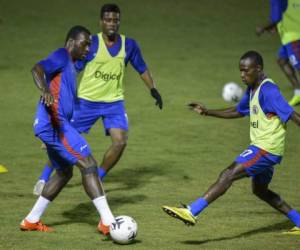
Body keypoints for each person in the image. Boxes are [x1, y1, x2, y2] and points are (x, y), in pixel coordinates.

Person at [162, 51, 300, 235]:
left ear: (258, 69)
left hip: (266, 148)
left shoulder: (268, 90)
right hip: (264, 147)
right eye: (240, 71)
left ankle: (192, 211)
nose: (242, 75)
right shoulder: (253, 88)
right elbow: (238, 111)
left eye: (246, 71)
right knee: (260, 191)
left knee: (228, 174)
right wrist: (207, 112)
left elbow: (291, 114)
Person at [33, 3, 163, 196]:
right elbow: (71, 68)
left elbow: (141, 68)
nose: (112, 24)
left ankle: (97, 176)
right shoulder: (89, 44)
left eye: (116, 20)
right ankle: (43, 179)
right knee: (63, 139)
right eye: (108, 20)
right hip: (86, 102)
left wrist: (153, 89)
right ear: (101, 22)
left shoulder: (129, 45)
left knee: (120, 142)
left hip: (114, 103)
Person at [20, 25, 115, 235]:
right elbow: (37, 68)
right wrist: (44, 90)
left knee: (64, 172)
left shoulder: (72, 64)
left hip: (53, 125)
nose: (88, 48)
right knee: (88, 164)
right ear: (71, 42)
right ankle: (108, 221)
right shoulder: (61, 55)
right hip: (55, 124)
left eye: (90, 44)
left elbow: (94, 55)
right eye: (85, 44)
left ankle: (31, 220)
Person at [256, 0, 300, 106]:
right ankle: (298, 92)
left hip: (294, 36)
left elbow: (276, 17)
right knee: (282, 61)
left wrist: (262, 28)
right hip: (289, 36)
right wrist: (276, 26)